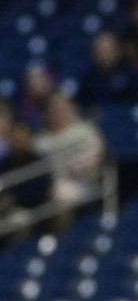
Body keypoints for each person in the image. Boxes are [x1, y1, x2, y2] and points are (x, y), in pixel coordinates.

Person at [33, 92, 105, 232]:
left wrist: (71, 169)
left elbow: (95, 156)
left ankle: (60, 236)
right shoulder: (41, 140)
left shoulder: (84, 131)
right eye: (53, 108)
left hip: (84, 182)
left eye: (62, 107)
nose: (58, 111)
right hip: (47, 184)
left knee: (62, 192)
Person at [76, 29, 138, 108]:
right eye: (101, 50)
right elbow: (82, 102)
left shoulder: (131, 73)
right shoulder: (87, 76)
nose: (105, 54)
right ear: (94, 53)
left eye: (109, 49)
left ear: (118, 51)